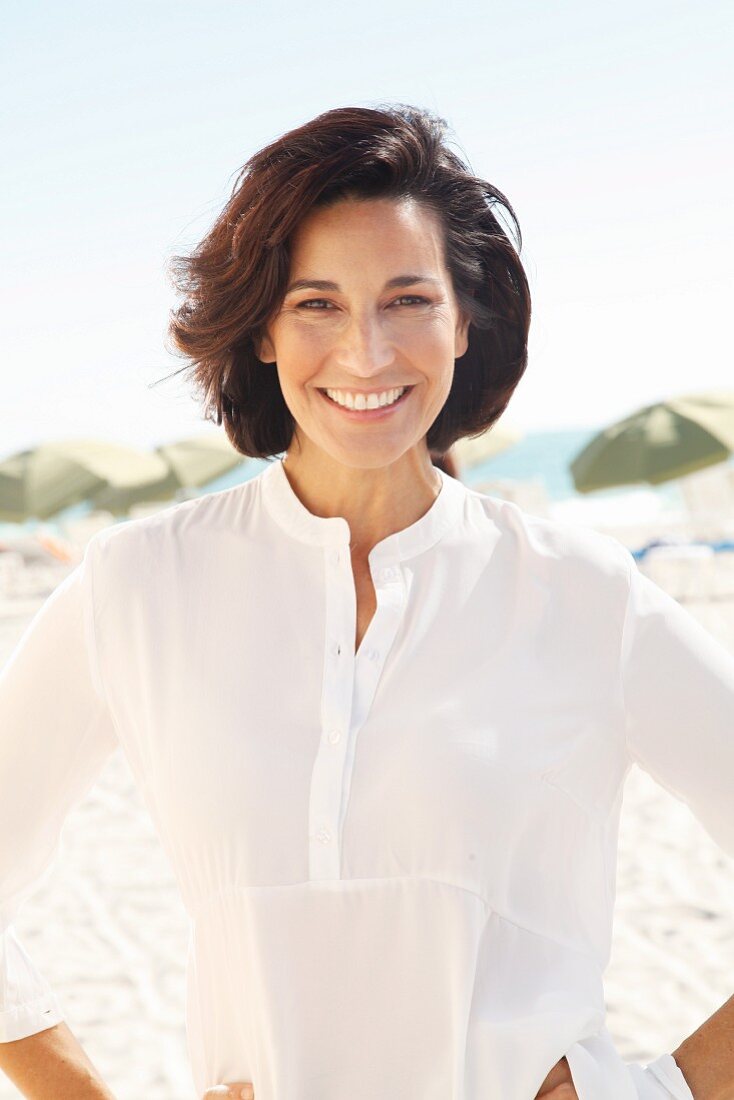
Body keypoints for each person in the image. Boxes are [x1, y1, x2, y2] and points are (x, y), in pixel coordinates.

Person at [1, 103, 733, 1100]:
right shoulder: (138, 584)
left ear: (462, 321)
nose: (365, 354)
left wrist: (663, 1089)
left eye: (405, 300)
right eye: (316, 304)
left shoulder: (584, 594)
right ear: (260, 327)